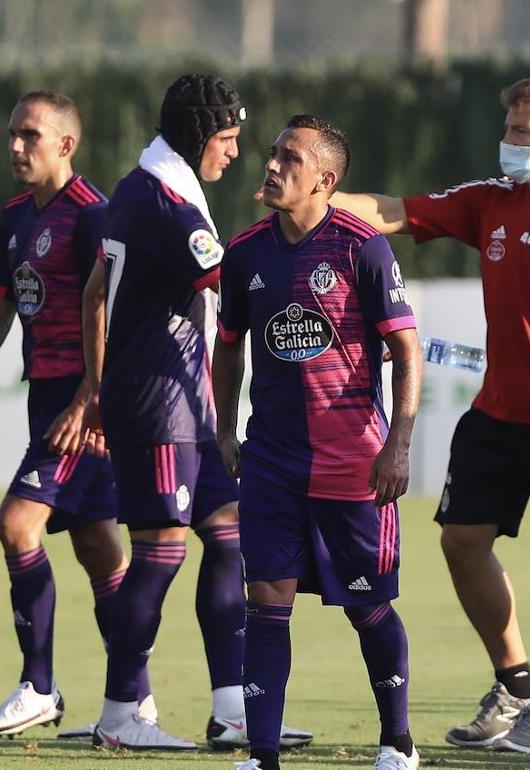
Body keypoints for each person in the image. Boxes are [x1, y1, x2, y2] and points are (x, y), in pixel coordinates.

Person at [330, 77, 530, 754]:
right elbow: (394, 210)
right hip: (495, 416)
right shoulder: (490, 202)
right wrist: (321, 196)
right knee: (459, 542)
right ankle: (513, 683)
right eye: (506, 128)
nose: (507, 143)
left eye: (520, 133)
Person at [81, 74, 309, 751]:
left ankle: (232, 708)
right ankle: (122, 713)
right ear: (198, 136)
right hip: (159, 405)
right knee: (160, 552)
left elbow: (96, 290)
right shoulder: (164, 203)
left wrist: (96, 387)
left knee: (228, 534)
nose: (236, 153)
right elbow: (234, 285)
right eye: (231, 139)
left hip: (184, 405)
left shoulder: (144, 185)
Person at [215, 114, 423, 770]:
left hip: (351, 465)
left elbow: (407, 352)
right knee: (265, 600)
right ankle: (263, 755)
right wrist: (224, 427)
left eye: (290, 159)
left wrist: (399, 444)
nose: (273, 165)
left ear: (325, 180)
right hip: (272, 462)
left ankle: (396, 740)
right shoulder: (246, 252)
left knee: (367, 607)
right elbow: (227, 352)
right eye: (274, 154)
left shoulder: (363, 246)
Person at [0, 91, 128, 739]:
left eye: (30, 135)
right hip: (47, 397)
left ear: (66, 144)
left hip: (81, 402)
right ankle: (130, 699)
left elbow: (109, 311)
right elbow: (4, 302)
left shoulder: (94, 214)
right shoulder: (13, 217)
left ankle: (40, 686)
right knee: (95, 545)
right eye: (11, 134)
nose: (15, 146)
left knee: (15, 524)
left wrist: (94, 395)